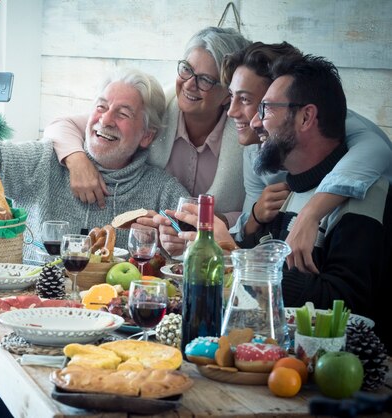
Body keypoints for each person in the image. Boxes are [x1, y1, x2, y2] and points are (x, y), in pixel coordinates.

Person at [166, 54, 392, 350]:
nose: (255, 121)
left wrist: (241, 264)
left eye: (266, 109)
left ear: (306, 117)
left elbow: (349, 305)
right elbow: (259, 294)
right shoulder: (285, 190)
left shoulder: (365, 195)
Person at [0, 62, 189, 262]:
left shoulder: (162, 191)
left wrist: (177, 247)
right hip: (30, 310)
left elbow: (196, 246)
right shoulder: (43, 160)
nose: (106, 120)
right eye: (101, 106)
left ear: (147, 135)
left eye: (123, 113)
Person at [44, 27, 251, 229]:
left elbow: (252, 214)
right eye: (187, 69)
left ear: (227, 93)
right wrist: (77, 160)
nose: (189, 85)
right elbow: (63, 126)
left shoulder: (246, 138)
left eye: (205, 79)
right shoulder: (158, 111)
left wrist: (215, 222)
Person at [222, 42, 392, 272]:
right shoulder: (256, 150)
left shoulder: (345, 130)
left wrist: (310, 214)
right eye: (231, 96)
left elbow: (378, 150)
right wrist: (249, 224)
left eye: (246, 99)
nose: (231, 111)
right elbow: (256, 234)